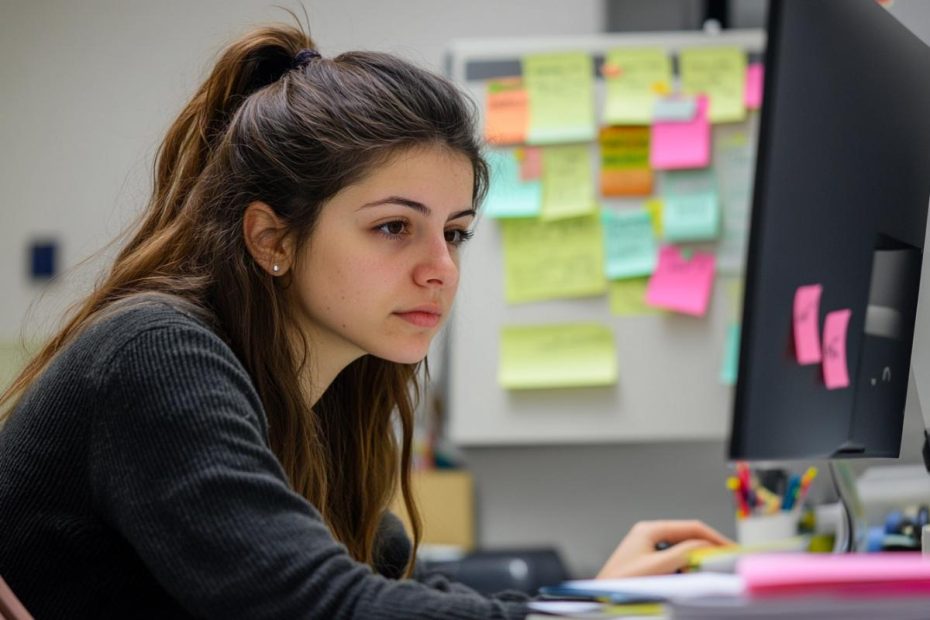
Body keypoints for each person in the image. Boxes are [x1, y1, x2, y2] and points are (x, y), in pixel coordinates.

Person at [0, 23, 730, 619]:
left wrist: (584, 602)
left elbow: (386, 589)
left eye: (455, 232)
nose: (440, 267)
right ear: (272, 239)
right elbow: (314, 606)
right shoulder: (156, 353)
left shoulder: (315, 399)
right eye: (392, 228)